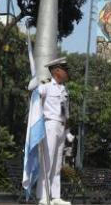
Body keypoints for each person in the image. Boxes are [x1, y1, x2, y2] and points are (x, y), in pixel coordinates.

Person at [34, 57, 72, 205]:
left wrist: (68, 129)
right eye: (64, 69)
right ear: (56, 71)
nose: (67, 72)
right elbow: (35, 96)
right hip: (50, 124)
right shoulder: (47, 87)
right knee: (47, 160)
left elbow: (66, 111)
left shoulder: (64, 89)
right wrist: (33, 87)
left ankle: (55, 196)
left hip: (62, 126)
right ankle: (43, 195)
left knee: (57, 163)